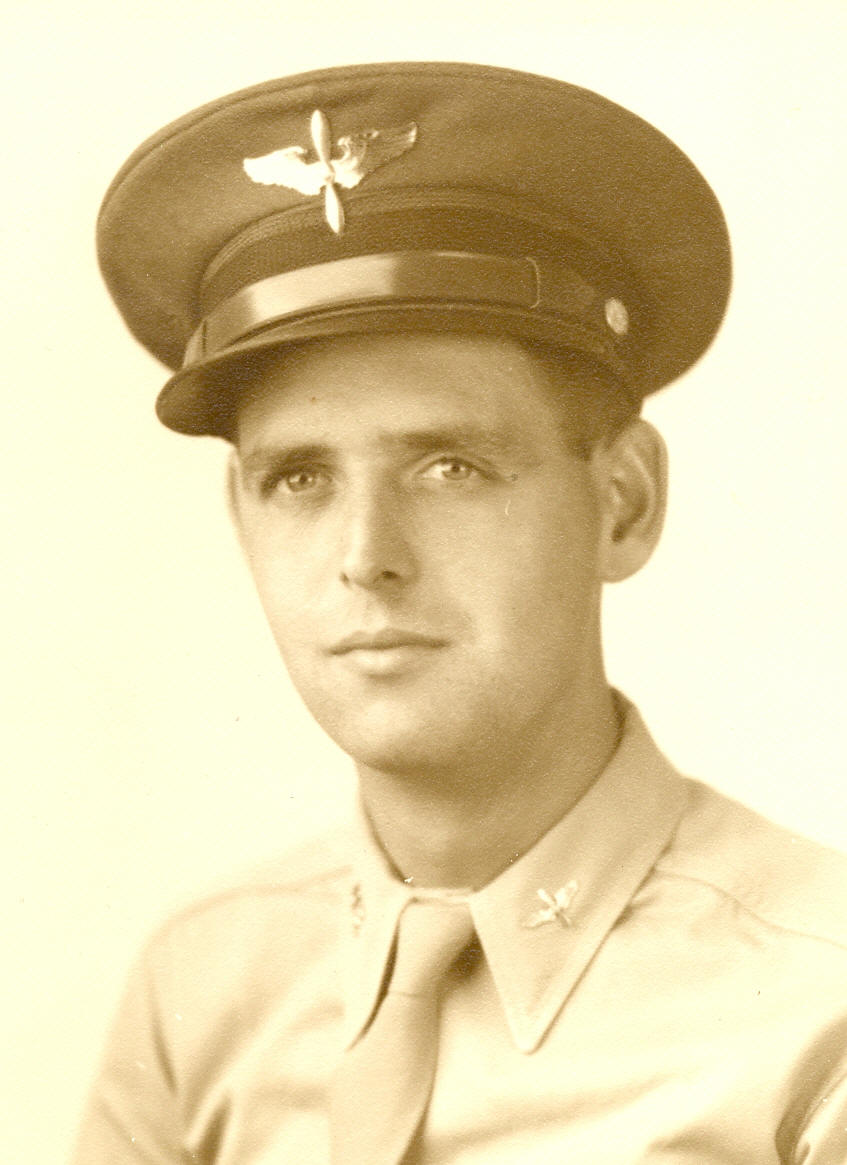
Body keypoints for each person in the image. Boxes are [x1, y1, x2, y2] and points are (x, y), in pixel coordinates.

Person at [73, 62, 847, 1164]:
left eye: (450, 467)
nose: (365, 558)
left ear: (623, 503)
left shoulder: (817, 1009)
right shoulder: (202, 987)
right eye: (300, 478)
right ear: (242, 519)